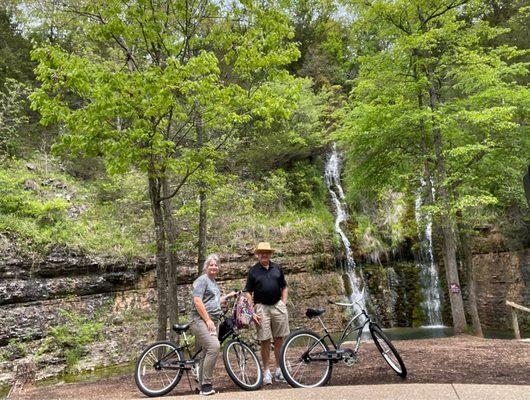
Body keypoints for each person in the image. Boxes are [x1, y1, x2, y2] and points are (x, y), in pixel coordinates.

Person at [243, 242, 289, 385]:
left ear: (270, 254)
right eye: (261, 252)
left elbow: (284, 286)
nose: (264, 254)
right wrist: (252, 312)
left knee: (279, 339)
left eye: (267, 252)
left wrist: (284, 303)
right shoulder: (253, 271)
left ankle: (279, 369)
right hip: (261, 308)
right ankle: (266, 371)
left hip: (278, 306)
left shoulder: (277, 268)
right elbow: (248, 293)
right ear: (258, 254)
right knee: (265, 340)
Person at [190, 254, 236, 396]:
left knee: (206, 352)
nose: (214, 267)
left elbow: (215, 301)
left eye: (216, 265)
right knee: (214, 346)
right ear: (206, 267)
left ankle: (200, 385)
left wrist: (228, 296)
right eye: (211, 265)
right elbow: (197, 301)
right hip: (199, 320)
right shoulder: (202, 280)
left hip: (213, 321)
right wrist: (208, 320)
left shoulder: (213, 282)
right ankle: (206, 385)